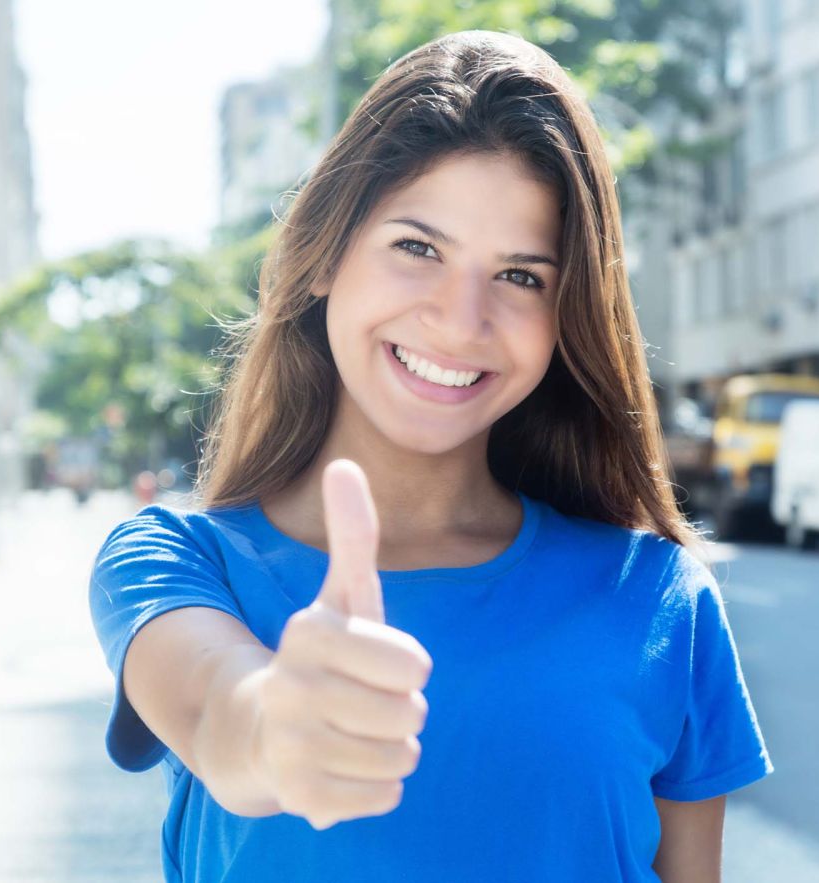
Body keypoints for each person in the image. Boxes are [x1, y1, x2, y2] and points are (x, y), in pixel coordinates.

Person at [89, 29, 772, 882]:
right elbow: (223, 719)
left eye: (521, 275)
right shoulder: (175, 563)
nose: (460, 319)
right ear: (325, 257)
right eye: (418, 248)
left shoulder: (660, 598)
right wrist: (279, 729)